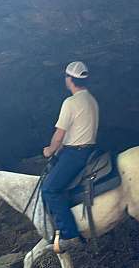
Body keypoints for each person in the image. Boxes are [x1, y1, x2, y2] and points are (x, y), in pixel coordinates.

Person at [41, 61, 99, 252]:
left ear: (69, 79)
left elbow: (60, 134)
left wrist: (50, 150)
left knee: (49, 188)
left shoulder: (71, 102)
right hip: (90, 150)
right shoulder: (92, 100)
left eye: (66, 77)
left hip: (75, 154)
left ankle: (70, 234)